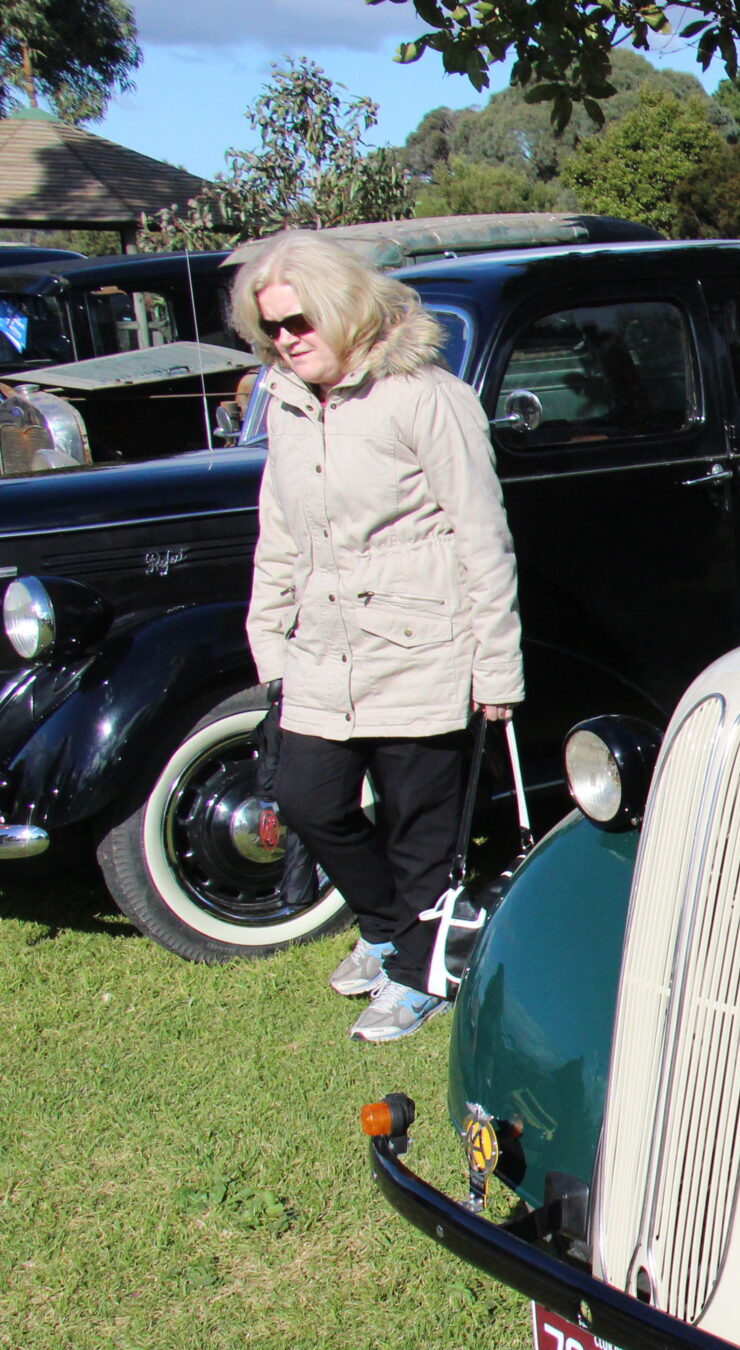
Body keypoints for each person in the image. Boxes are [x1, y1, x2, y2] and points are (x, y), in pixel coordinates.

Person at [236, 230, 523, 1043]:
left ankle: (414, 975)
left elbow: (481, 535)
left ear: (341, 308)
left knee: (419, 827)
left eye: (297, 322)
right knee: (308, 797)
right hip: (324, 648)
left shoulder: (426, 397)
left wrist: (497, 665)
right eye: (271, 330)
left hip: (424, 642)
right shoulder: (289, 406)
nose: (286, 340)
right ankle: (389, 925)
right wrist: (270, 644)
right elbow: (279, 537)